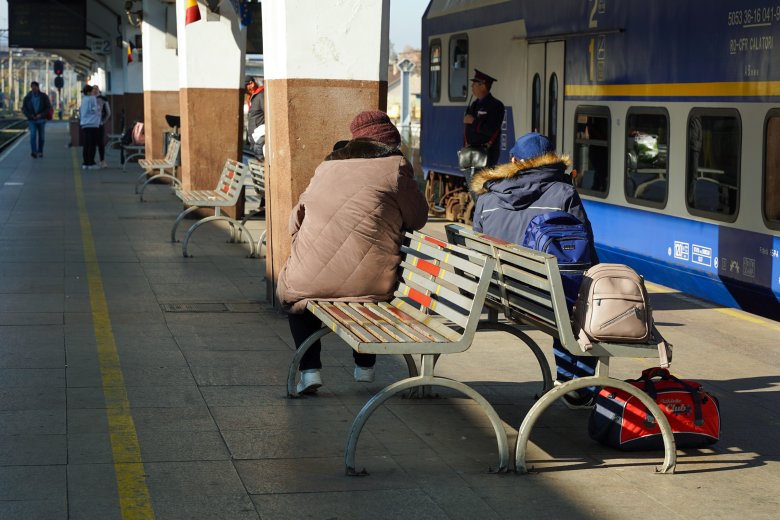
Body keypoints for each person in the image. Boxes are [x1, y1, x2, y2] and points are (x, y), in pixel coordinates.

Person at [277, 110, 429, 394]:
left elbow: (294, 221)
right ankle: (364, 365)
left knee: (297, 294)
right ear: (390, 142)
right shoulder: (396, 166)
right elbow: (417, 218)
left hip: (307, 278)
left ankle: (309, 372)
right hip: (369, 282)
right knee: (360, 283)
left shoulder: (327, 167)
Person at [470, 132, 599, 408]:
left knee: (563, 296)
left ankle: (568, 383)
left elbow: (476, 245)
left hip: (499, 293)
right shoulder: (564, 193)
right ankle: (575, 386)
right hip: (545, 298)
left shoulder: (487, 196)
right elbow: (584, 251)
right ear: (551, 161)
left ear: (514, 160)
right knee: (586, 303)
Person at [463, 69, 505, 169]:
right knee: (472, 183)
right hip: (471, 154)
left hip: (486, 155)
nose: (471, 86)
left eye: (474, 83)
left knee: (483, 183)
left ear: (483, 85)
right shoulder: (474, 105)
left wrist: (473, 121)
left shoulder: (495, 105)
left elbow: (491, 129)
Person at [21, 81, 52, 159]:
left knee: (41, 137)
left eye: (35, 87)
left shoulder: (44, 96)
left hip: (41, 120)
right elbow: (24, 108)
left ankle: (40, 151)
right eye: (32, 87)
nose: (34, 89)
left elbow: (48, 107)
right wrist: (30, 115)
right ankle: (34, 152)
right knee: (33, 136)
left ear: (38, 87)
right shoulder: (27, 97)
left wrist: (41, 115)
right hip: (32, 120)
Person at [79, 85, 101, 170]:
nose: (93, 93)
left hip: (84, 124)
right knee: (92, 145)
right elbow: (94, 110)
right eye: (92, 91)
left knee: (86, 144)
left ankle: (85, 163)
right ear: (88, 92)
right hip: (92, 124)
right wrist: (98, 108)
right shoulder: (92, 98)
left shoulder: (84, 99)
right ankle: (91, 163)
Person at [244, 76, 265, 160]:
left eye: (245, 86)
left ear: (251, 84)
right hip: (255, 139)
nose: (244, 90)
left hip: (260, 139)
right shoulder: (251, 98)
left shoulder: (261, 96)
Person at [94, 86, 112, 168]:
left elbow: (108, 112)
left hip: (92, 124)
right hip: (99, 124)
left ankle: (93, 161)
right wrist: (103, 122)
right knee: (100, 143)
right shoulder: (104, 99)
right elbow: (108, 113)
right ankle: (102, 161)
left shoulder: (90, 99)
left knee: (93, 143)